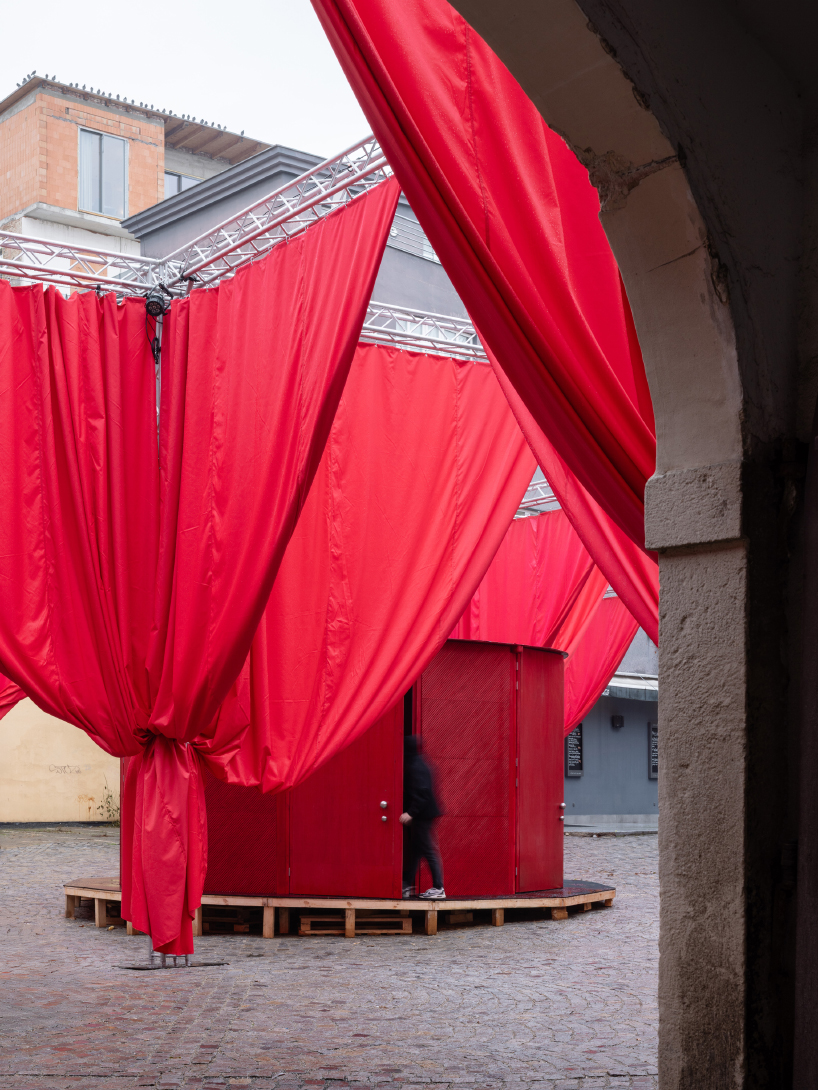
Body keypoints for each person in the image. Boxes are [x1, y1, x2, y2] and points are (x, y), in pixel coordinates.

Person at [400, 735, 445, 899]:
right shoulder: (421, 762)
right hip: (425, 813)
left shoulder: (415, 765)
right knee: (416, 850)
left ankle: (438, 888)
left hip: (423, 815)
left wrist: (411, 812)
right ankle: (407, 884)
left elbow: (422, 792)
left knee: (427, 850)